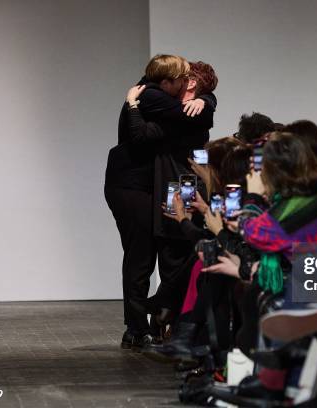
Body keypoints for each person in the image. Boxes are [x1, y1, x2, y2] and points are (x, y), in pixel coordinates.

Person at [105, 54, 217, 349]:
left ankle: (162, 323)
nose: (184, 83)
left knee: (173, 252)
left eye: (188, 80)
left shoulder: (181, 106)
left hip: (167, 187)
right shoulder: (151, 96)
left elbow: (203, 116)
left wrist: (207, 99)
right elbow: (142, 136)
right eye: (181, 78)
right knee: (143, 256)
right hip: (136, 186)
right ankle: (139, 326)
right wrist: (131, 104)